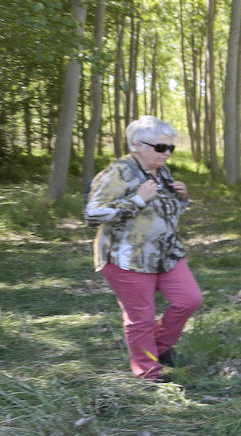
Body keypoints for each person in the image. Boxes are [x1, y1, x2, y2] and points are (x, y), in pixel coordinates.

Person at [86, 116, 203, 383]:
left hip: (166, 253)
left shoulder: (161, 170)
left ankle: (158, 349)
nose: (168, 153)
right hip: (127, 257)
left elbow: (162, 211)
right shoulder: (117, 173)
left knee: (189, 299)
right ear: (137, 145)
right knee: (140, 318)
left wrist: (183, 199)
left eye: (171, 148)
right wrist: (137, 199)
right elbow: (92, 214)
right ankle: (148, 373)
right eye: (161, 148)